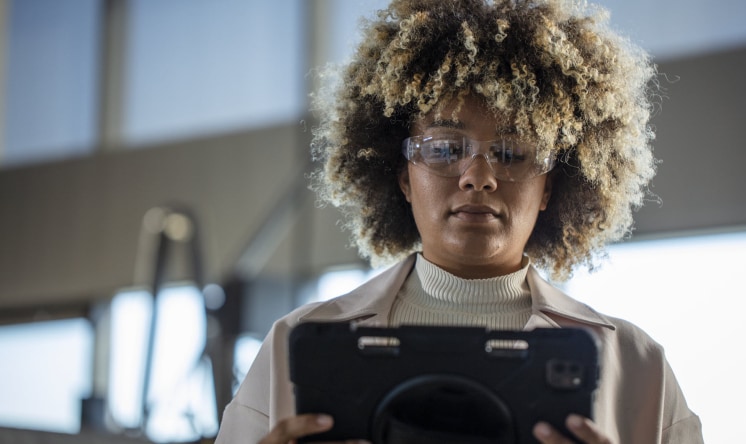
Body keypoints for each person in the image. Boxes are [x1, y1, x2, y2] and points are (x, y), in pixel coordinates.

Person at [215, 0, 704, 442]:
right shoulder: (295, 346)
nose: (479, 177)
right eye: (446, 148)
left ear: (549, 188)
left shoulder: (639, 367)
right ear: (403, 179)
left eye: (512, 152)